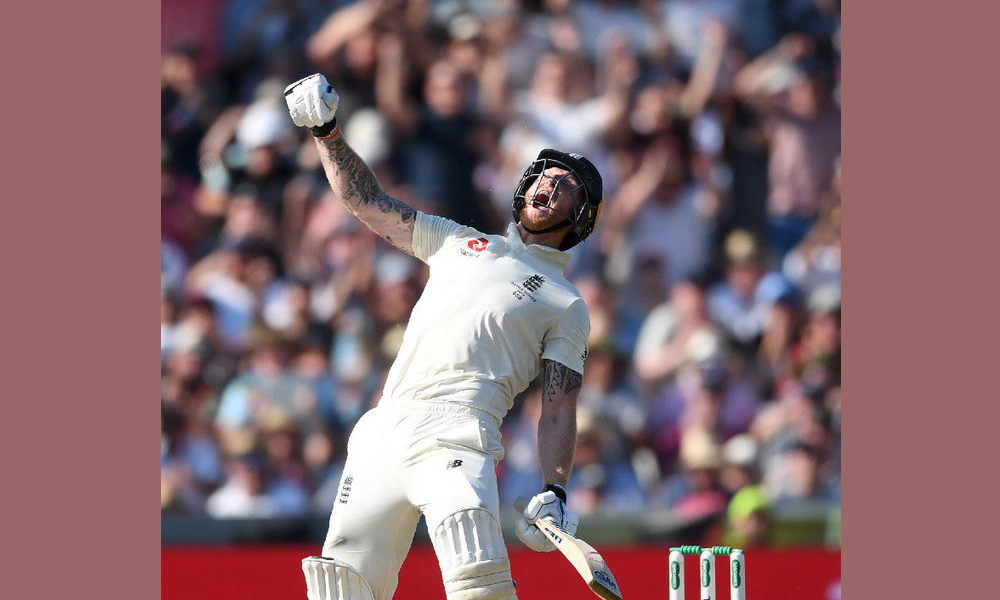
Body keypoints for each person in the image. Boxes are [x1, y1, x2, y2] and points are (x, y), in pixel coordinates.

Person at [284, 73, 604, 600]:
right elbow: (366, 201)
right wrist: (326, 133)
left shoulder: (565, 302)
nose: (549, 185)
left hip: (460, 432)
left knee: (479, 584)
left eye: (567, 185)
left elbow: (558, 406)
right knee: (341, 586)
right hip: (385, 425)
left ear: (582, 215)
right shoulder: (458, 240)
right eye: (545, 176)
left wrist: (556, 486)